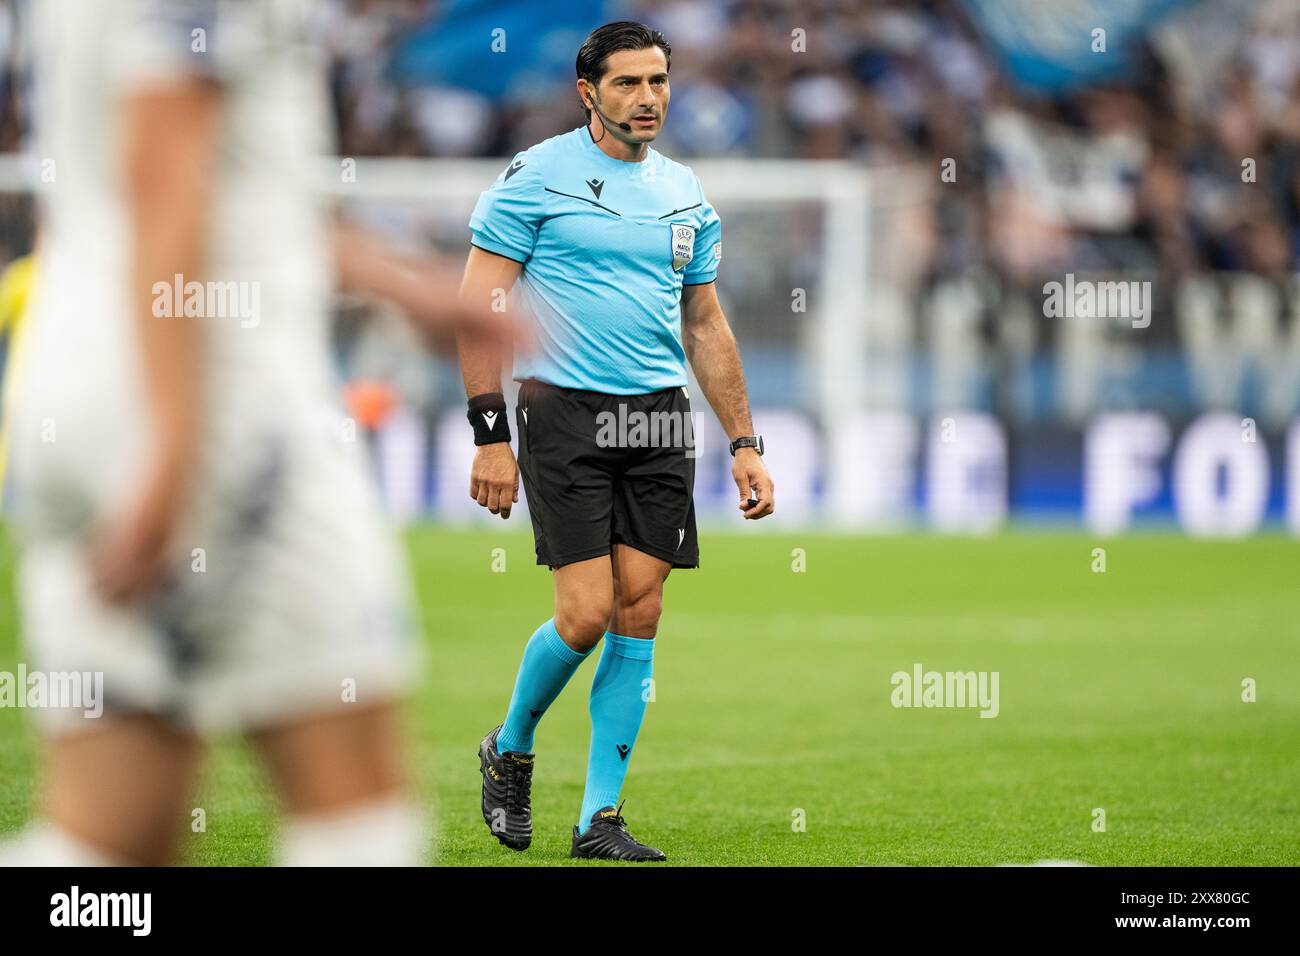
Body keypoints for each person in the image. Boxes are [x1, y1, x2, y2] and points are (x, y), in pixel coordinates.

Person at [459, 21, 775, 862]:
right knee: (587, 612)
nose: (649, 99)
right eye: (630, 83)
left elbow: (705, 324)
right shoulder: (536, 178)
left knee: (642, 609)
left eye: (660, 82)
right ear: (587, 91)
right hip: (563, 413)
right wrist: (491, 435)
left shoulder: (684, 192)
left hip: (659, 418)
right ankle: (512, 744)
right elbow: (480, 307)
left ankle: (599, 820)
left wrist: (745, 442)